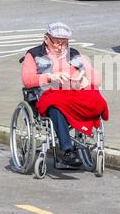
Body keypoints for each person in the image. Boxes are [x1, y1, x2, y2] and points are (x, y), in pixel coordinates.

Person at [22, 22, 109, 166]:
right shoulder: (34, 55)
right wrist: (51, 77)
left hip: (73, 94)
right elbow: (27, 80)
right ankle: (67, 151)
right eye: (56, 42)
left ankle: (88, 137)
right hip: (48, 96)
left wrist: (84, 79)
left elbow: (97, 78)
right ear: (46, 39)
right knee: (56, 106)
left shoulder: (74, 54)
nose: (60, 46)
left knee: (95, 98)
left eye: (64, 43)